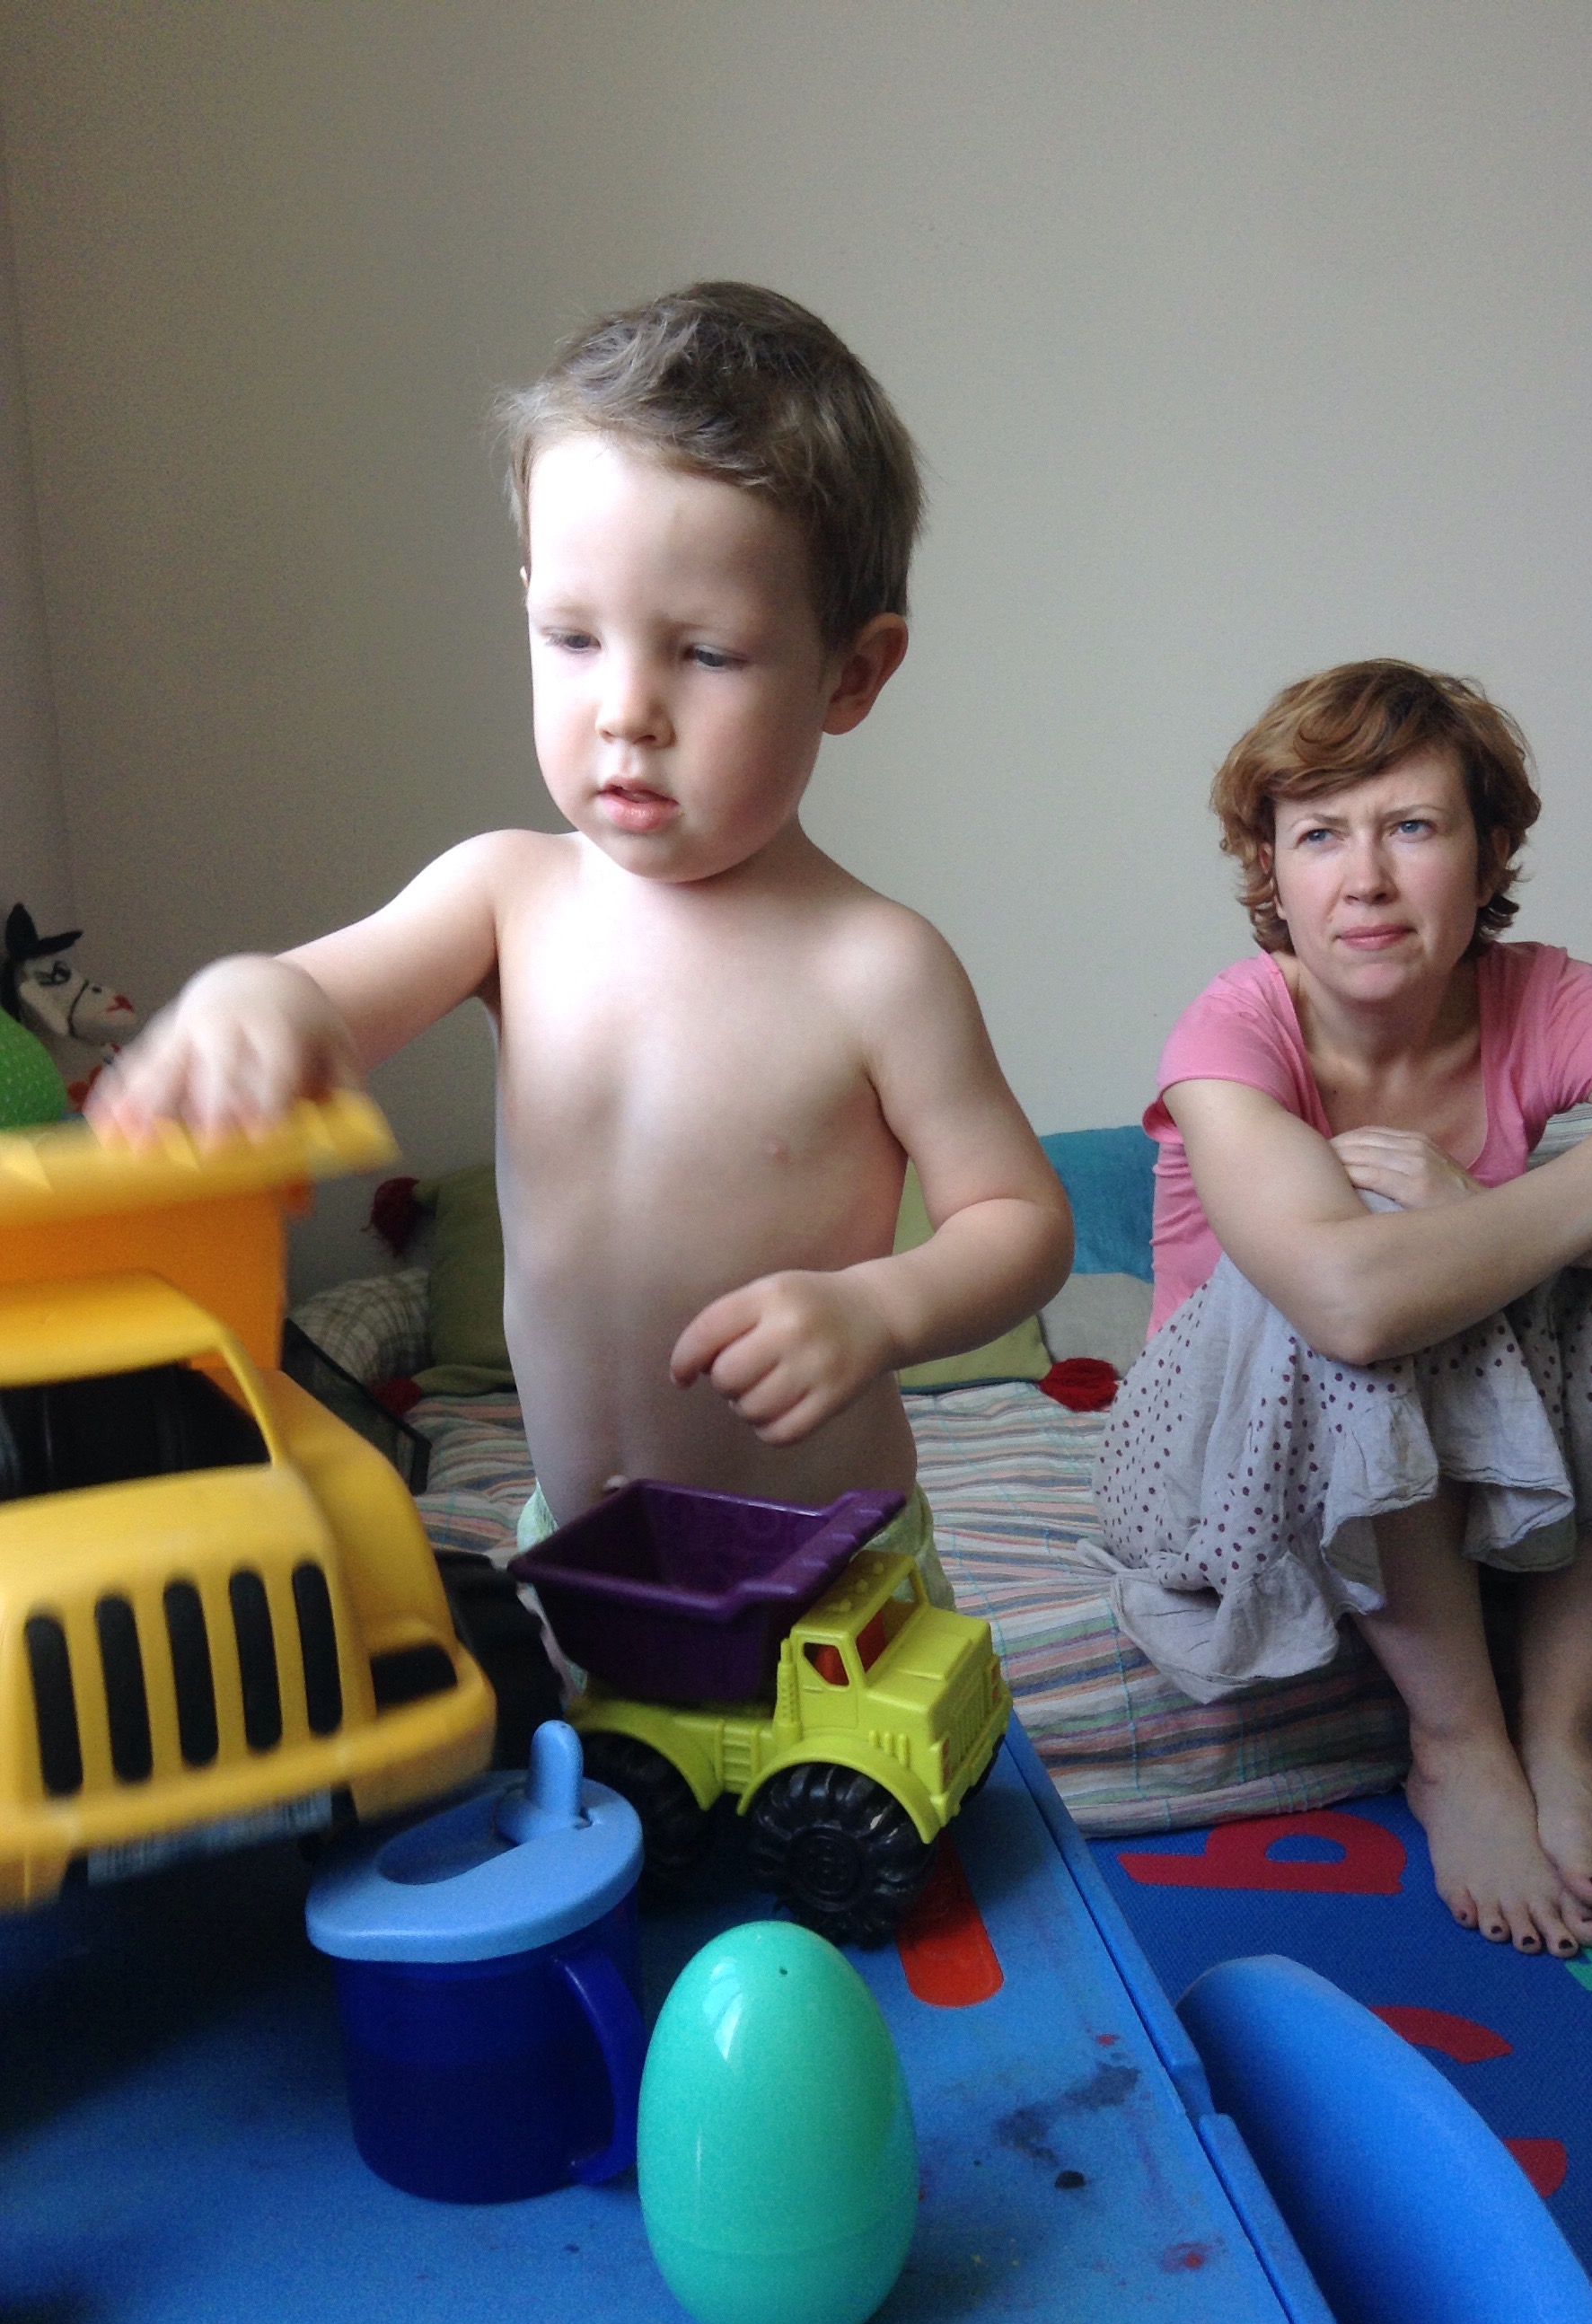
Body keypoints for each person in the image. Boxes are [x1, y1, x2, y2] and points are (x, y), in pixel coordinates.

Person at [93, 281, 1073, 1607]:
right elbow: (325, 998)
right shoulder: (507, 894)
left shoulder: (876, 966)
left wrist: (880, 1309)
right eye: (570, 637)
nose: (625, 711)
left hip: (822, 1572)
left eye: (706, 655)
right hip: (579, 1549)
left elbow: (1019, 1220)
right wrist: (249, 1000)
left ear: (851, 673)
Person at [1094, 659, 1592, 1959]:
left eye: (1413, 827)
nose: (1366, 880)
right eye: (1320, 836)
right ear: (1271, 871)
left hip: (1477, 1447)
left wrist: (1504, 1217)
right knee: (1364, 1256)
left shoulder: (1545, 996)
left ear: (1488, 852)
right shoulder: (1232, 1033)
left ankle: (1559, 1734)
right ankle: (1459, 1746)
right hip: (1221, 1465)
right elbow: (1349, 1305)